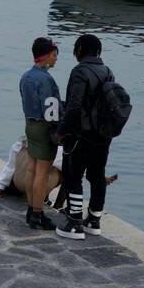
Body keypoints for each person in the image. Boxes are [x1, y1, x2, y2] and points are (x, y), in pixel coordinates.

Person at [55, 33, 115, 240]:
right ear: (98, 51)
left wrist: (61, 131)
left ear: (80, 49)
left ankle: (74, 223)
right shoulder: (108, 71)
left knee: (73, 177)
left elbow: (74, 106)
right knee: (97, 176)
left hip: (81, 135)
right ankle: (94, 220)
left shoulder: (80, 71)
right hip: (103, 136)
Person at [19, 37, 61, 230]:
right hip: (44, 128)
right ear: (45, 56)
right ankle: (37, 213)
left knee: (31, 168)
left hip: (29, 124)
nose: (56, 59)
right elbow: (51, 111)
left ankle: (30, 209)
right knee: (42, 173)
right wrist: (59, 129)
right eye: (54, 55)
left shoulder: (25, 76)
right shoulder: (46, 80)